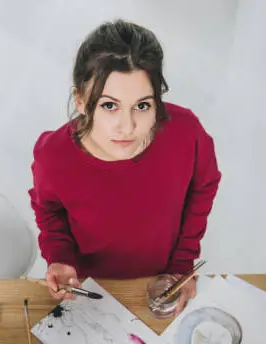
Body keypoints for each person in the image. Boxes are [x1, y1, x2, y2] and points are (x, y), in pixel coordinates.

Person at [29, 19, 221, 314]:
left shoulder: (187, 133)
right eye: (109, 105)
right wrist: (60, 258)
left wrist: (183, 260)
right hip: (89, 288)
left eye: (143, 105)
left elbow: (204, 185)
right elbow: (49, 210)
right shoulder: (53, 156)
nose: (128, 127)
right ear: (81, 101)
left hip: (162, 279)